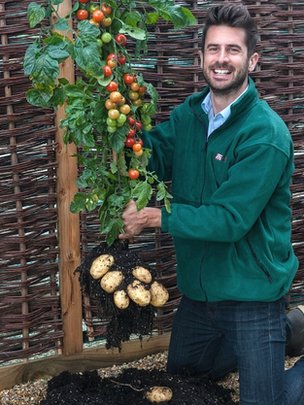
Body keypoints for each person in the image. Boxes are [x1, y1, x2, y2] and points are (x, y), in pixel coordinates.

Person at [119, 3, 304, 404]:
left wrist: (154, 216)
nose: (221, 59)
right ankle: (290, 330)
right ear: (201, 56)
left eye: (233, 50)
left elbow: (229, 220)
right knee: (184, 379)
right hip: (201, 295)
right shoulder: (191, 114)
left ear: (251, 59)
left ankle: (275, 331)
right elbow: (154, 154)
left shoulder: (265, 135)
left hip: (252, 292)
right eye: (213, 49)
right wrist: (120, 129)